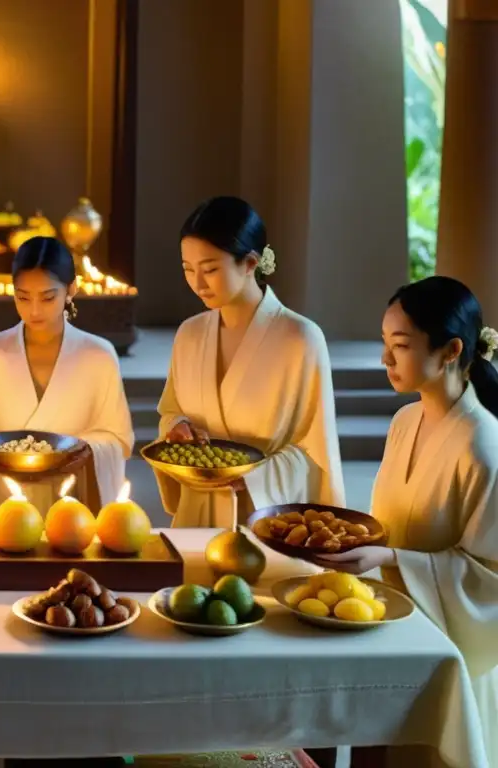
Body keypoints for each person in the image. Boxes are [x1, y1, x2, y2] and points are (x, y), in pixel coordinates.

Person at [319, 276, 498, 767]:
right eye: (384, 343)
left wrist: (394, 557)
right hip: (389, 627)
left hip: (448, 653)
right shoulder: (405, 422)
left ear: (450, 350)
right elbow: (387, 522)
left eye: (400, 346)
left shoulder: (484, 446)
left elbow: (490, 580)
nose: (385, 359)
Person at [156, 196, 344, 527]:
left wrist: (255, 477)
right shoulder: (190, 334)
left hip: (269, 519)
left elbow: (316, 453)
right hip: (198, 514)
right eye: (188, 269)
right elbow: (171, 411)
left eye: (211, 269)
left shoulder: (300, 338)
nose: (198, 283)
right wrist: (177, 428)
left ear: (251, 262)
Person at [0, 236, 134, 515]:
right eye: (23, 297)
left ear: (71, 289)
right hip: (4, 501)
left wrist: (82, 452)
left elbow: (118, 438)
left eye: (48, 297)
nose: (34, 310)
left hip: (71, 503)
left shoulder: (98, 355)